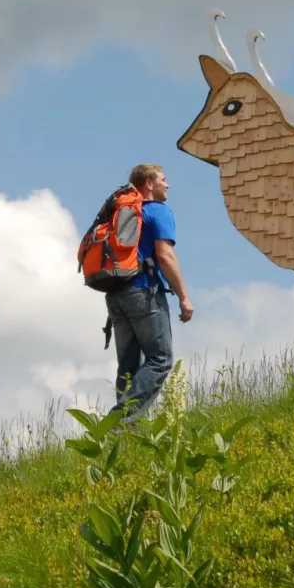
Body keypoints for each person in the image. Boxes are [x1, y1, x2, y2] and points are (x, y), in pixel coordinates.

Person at [107, 163, 194, 418]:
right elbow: (165, 256)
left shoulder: (120, 212)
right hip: (144, 291)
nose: (167, 185)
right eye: (163, 180)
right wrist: (184, 297)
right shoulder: (158, 211)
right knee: (161, 359)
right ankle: (119, 421)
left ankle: (125, 432)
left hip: (116, 293)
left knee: (128, 366)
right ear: (149, 184)